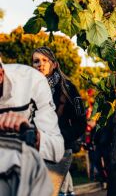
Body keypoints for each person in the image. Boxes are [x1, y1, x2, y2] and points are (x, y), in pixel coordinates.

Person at [32, 47, 87, 196]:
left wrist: (62, 138)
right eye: (36, 61)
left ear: (54, 64)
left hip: (59, 150)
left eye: (45, 60)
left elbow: (81, 122)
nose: (40, 64)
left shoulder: (68, 88)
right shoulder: (29, 90)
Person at [0, 58, 64, 162]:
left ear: (1, 74)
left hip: (30, 163)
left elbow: (56, 148)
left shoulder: (32, 80)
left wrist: (32, 134)